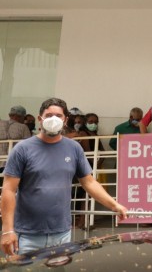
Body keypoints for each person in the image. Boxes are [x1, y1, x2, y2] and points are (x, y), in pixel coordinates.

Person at [1, 97, 127, 255]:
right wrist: (7, 230)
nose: (53, 119)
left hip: (61, 234)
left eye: (58, 116)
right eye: (48, 115)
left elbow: (89, 182)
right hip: (27, 235)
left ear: (65, 120)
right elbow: (8, 190)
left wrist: (114, 205)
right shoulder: (22, 149)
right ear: (40, 119)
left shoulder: (74, 148)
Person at [0, 106, 32, 171]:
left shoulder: (1, 124)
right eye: (24, 117)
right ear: (19, 116)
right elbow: (29, 147)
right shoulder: (23, 127)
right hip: (14, 164)